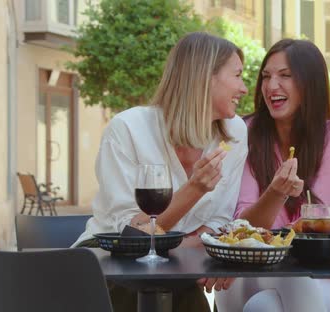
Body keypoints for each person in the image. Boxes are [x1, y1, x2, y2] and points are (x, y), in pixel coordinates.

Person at [73, 32, 249, 311]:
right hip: (109, 262)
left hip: (174, 265)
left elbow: (218, 220)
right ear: (205, 78)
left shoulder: (235, 134)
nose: (244, 88)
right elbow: (131, 235)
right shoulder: (128, 129)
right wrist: (195, 189)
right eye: (237, 76)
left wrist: (179, 249)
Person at [215, 39, 330, 312]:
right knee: (266, 291)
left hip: (314, 275)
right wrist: (276, 193)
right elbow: (243, 225)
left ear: (310, 84)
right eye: (266, 76)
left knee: (265, 306)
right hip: (250, 268)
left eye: (285, 75)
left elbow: (317, 220)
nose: (271, 86)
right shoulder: (243, 131)